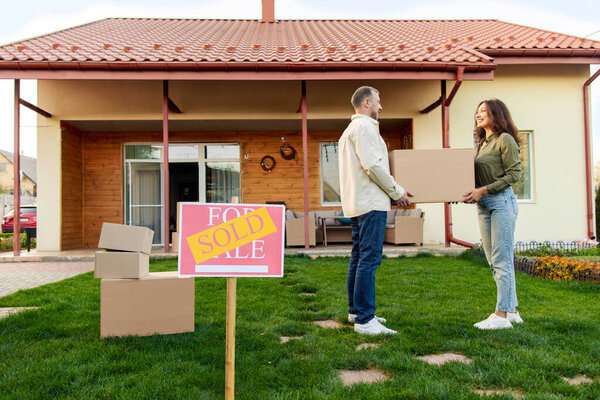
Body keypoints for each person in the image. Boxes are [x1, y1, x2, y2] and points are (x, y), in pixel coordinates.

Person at [338, 86, 413, 335]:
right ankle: (365, 320)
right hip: (371, 203)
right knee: (369, 259)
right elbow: (373, 166)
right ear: (367, 102)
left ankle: (356, 312)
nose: (381, 106)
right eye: (379, 102)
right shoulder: (366, 127)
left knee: (359, 257)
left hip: (358, 203)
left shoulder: (349, 131)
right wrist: (397, 191)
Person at [463, 99, 523, 330]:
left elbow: (514, 175)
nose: (478, 115)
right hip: (484, 205)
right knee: (493, 260)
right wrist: (471, 192)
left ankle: (501, 315)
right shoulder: (481, 143)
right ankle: (513, 311)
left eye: (484, 112)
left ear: (496, 114)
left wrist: (484, 190)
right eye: (477, 112)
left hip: (501, 202)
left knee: (502, 259)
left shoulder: (503, 140)